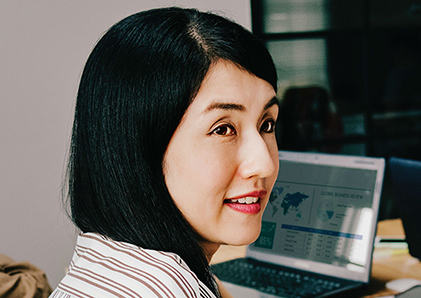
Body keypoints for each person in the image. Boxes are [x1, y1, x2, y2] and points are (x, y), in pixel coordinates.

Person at [50, 7, 279, 298]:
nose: (264, 164)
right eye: (223, 129)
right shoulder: (163, 289)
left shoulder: (104, 263)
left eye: (267, 123)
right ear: (139, 147)